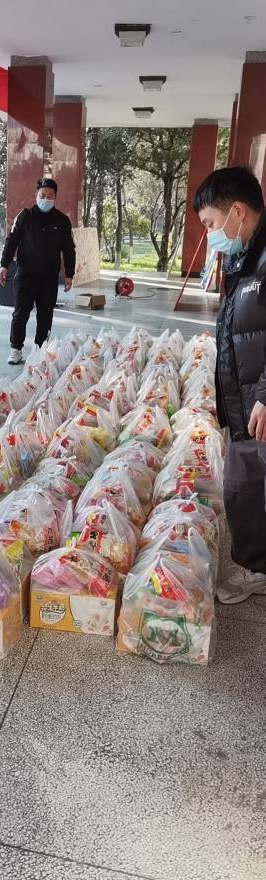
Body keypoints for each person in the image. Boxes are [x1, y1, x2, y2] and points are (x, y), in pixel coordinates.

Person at [193, 165, 266, 604]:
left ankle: (257, 569)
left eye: (211, 224)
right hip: (245, 400)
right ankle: (256, 564)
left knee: (249, 487)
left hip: (260, 401)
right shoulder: (246, 257)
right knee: (244, 486)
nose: (211, 234)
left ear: (237, 211)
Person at [0, 177, 76, 364]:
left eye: (50, 196)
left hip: (49, 278)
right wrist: (4, 264)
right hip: (25, 276)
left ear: (55, 198)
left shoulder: (62, 221)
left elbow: (69, 249)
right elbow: (12, 241)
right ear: (36, 195)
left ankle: (40, 350)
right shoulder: (25, 216)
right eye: (42, 195)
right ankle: (16, 349)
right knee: (20, 314)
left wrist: (69, 274)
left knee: (45, 316)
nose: (46, 199)